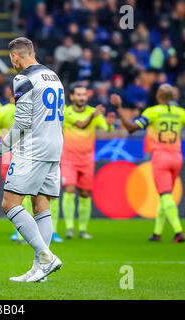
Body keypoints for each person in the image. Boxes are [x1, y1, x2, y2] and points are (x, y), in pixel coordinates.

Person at [0, 37, 63, 282]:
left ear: (14, 57)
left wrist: (1, 149)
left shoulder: (22, 79)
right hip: (55, 147)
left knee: (9, 204)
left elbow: (22, 122)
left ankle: (46, 257)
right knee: (41, 204)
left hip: (33, 149)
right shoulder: (53, 76)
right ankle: (40, 269)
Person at [111, 84, 185, 243]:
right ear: (172, 97)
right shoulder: (180, 113)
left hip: (160, 157)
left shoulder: (152, 113)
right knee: (164, 195)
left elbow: (132, 128)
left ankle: (178, 231)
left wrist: (119, 108)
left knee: (165, 194)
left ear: (158, 96)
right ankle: (157, 232)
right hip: (176, 158)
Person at [0, 85, 63, 244]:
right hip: (16, 155)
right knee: (20, 196)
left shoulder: (32, 108)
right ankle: (21, 234)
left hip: (30, 154)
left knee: (28, 197)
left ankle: (42, 241)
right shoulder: (6, 110)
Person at [61, 83, 116, 239]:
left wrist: (110, 124)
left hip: (86, 159)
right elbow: (81, 125)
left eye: (84, 94)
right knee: (69, 189)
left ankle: (83, 230)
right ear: (71, 97)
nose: (81, 97)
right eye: (78, 94)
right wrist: (93, 116)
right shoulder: (66, 112)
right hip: (69, 158)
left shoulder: (94, 112)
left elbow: (106, 129)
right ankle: (70, 228)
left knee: (85, 193)